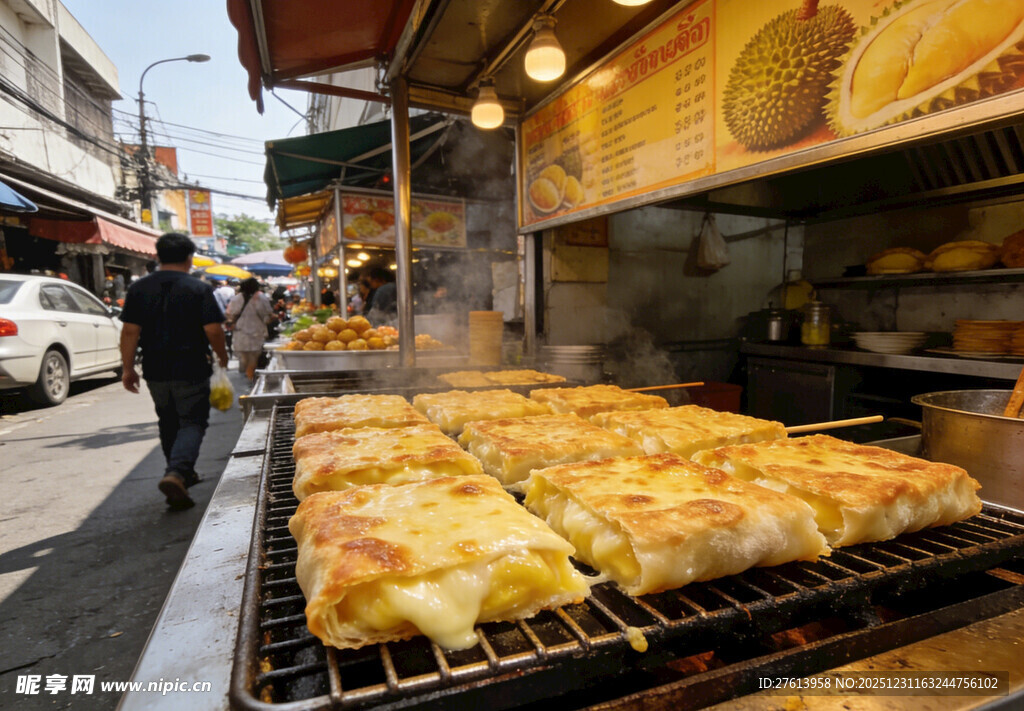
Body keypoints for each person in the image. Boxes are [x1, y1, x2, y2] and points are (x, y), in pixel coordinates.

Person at [119, 233, 229, 510]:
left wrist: (127, 368)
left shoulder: (139, 289)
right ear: (190, 258)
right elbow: (213, 329)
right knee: (192, 421)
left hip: (155, 368)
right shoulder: (198, 288)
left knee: (168, 421)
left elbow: (130, 331)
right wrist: (222, 355)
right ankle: (177, 472)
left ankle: (181, 474)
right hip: (191, 366)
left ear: (157, 256)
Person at [226, 277, 274, 382]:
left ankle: (247, 377)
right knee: (254, 357)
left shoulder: (236, 298)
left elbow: (229, 314)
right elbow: (267, 315)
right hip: (256, 333)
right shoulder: (261, 297)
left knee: (243, 358)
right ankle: (251, 378)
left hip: (240, 332)